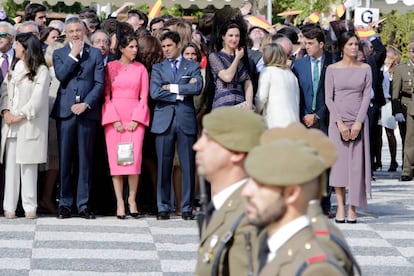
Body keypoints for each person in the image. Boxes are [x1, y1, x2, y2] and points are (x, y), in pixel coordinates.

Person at [259, 123, 361, 275]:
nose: (249, 191)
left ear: (292, 192)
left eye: (261, 183)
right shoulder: (281, 231)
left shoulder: (317, 260)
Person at [241, 140, 346, 275]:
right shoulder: (271, 243)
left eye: (260, 184)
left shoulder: (315, 269)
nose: (246, 192)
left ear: (291, 193)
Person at [194, 106, 266, 276]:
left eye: (208, 139)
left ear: (237, 153)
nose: (197, 146)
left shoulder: (250, 219)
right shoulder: (224, 207)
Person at [52, 17, 104, 219]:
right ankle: (64, 203)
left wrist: (86, 103)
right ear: (66, 33)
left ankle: (84, 204)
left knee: (85, 159)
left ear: (84, 32)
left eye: (78, 30)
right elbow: (61, 75)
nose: (75, 34)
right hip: (65, 112)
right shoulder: (59, 53)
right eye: (71, 31)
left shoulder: (96, 54)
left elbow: (99, 84)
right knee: (65, 159)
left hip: (87, 112)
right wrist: (73, 55)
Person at [150, 31, 203, 220]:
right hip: (163, 120)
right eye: (163, 47)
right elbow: (155, 92)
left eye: (169, 46)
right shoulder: (158, 68)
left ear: (178, 45)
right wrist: (182, 91)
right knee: (164, 166)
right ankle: (163, 206)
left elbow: (197, 88)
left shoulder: (192, 65)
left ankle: (187, 207)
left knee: (187, 165)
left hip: (185, 120)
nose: (165, 50)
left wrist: (172, 88)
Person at [0, 33, 50, 219]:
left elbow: (37, 101)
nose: (15, 48)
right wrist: (6, 112)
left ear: (26, 47)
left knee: (28, 167)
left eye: (18, 45)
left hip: (28, 125)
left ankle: (30, 206)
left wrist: (18, 115)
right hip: (11, 126)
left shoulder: (41, 71)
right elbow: (5, 92)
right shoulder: (15, 67)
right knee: (10, 169)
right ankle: (9, 207)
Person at [325, 31, 372, 223]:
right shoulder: (332, 69)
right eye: (350, 44)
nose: (354, 48)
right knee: (339, 166)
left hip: (359, 122)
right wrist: (340, 123)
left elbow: (367, 96)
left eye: (356, 44)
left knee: (356, 166)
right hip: (338, 123)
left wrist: (359, 122)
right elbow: (329, 98)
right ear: (342, 47)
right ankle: (341, 208)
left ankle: (353, 208)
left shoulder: (366, 68)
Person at [102, 34, 149, 219]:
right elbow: (106, 95)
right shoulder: (110, 68)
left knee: (134, 160)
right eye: (131, 46)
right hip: (114, 118)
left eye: (136, 46)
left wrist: (136, 119)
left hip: (135, 118)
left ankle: (132, 200)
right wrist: (113, 119)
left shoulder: (141, 69)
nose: (135, 50)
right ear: (121, 48)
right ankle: (119, 202)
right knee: (117, 162)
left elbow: (144, 96)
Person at [291, 27, 336, 216]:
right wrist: (304, 115)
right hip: (304, 122)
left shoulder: (333, 64)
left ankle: (325, 205)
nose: (306, 46)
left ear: (321, 44)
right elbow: (295, 94)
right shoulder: (299, 65)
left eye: (310, 43)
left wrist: (318, 115)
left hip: (325, 120)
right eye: (305, 43)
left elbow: (334, 94)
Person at [38, 41, 64, 215]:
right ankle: (46, 198)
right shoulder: (54, 74)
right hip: (52, 122)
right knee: (53, 163)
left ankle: (46, 198)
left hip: (51, 121)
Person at [209, 20, 253, 110]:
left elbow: (248, 82)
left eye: (237, 36)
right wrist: (237, 58)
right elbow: (227, 77)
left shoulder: (242, 57)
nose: (234, 39)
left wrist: (249, 104)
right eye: (230, 35)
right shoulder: (215, 56)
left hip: (240, 106)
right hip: (222, 105)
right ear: (223, 37)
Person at [255, 42, 299, 127]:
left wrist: (256, 112)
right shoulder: (291, 74)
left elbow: (261, 97)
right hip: (294, 122)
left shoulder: (268, 71)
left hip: (275, 122)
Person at [392, 42, 414, 181]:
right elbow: (395, 93)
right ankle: (407, 170)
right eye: (412, 51)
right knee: (409, 140)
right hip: (409, 107)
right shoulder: (401, 69)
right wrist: (397, 111)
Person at [0, 21, 16, 214]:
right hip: (2, 115)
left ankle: (12, 202)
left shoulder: (21, 59)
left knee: (12, 163)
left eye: (2, 36)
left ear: (12, 38)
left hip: (17, 119)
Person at [379, 46, 401, 172]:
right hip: (378, 101)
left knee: (389, 132)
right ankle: (378, 160)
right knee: (377, 133)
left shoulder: (395, 70)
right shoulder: (379, 67)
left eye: (389, 56)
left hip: (388, 102)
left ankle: (393, 160)